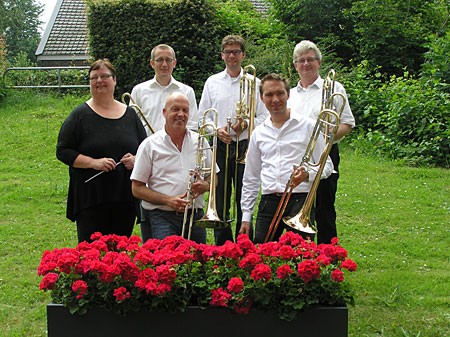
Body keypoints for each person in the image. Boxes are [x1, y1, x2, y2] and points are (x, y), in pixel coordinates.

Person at [56, 59, 147, 243]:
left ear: (114, 80)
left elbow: (146, 150)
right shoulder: (79, 116)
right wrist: (94, 163)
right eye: (94, 77)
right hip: (91, 198)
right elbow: (63, 151)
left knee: (120, 255)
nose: (99, 81)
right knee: (91, 256)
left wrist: (136, 159)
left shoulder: (130, 115)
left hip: (124, 198)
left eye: (104, 76)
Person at [239, 73, 333, 243]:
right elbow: (251, 177)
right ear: (261, 98)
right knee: (261, 258)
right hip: (269, 201)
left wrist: (307, 175)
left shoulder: (309, 126)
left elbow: (327, 165)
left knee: (302, 260)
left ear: (288, 94)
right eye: (269, 94)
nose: (275, 99)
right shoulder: (258, 133)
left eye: (280, 93)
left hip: (300, 199)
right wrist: (246, 216)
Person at [198, 34, 268, 245]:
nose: (232, 56)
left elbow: (264, 116)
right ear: (222, 55)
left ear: (243, 55)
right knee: (219, 198)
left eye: (236, 52)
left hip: (246, 146)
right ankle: (223, 245)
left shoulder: (255, 83)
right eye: (228, 52)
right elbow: (203, 115)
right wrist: (217, 130)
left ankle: (244, 243)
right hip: (219, 145)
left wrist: (245, 124)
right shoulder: (212, 82)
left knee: (244, 196)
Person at [287, 40, 355, 244]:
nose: (305, 64)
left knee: (325, 208)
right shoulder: (289, 95)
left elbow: (347, 123)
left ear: (319, 62)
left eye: (310, 59)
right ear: (295, 65)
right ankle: (300, 255)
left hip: (325, 154)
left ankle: (327, 257)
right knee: (297, 207)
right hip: (297, 156)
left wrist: (327, 138)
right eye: (301, 60)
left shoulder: (333, 88)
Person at [130, 92, 215, 244]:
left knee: (199, 263)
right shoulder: (149, 145)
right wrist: (168, 200)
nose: (181, 114)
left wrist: (206, 185)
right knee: (167, 264)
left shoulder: (200, 141)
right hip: (161, 216)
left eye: (185, 110)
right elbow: (137, 188)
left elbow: (214, 176)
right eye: (175, 109)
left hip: (195, 215)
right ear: (164, 112)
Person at [131, 44, 198, 134]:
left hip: (177, 146)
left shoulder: (187, 91)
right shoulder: (138, 91)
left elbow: (192, 126)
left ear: (174, 63)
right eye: (159, 60)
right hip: (147, 146)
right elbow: (132, 125)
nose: (164, 64)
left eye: (168, 60)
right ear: (152, 63)